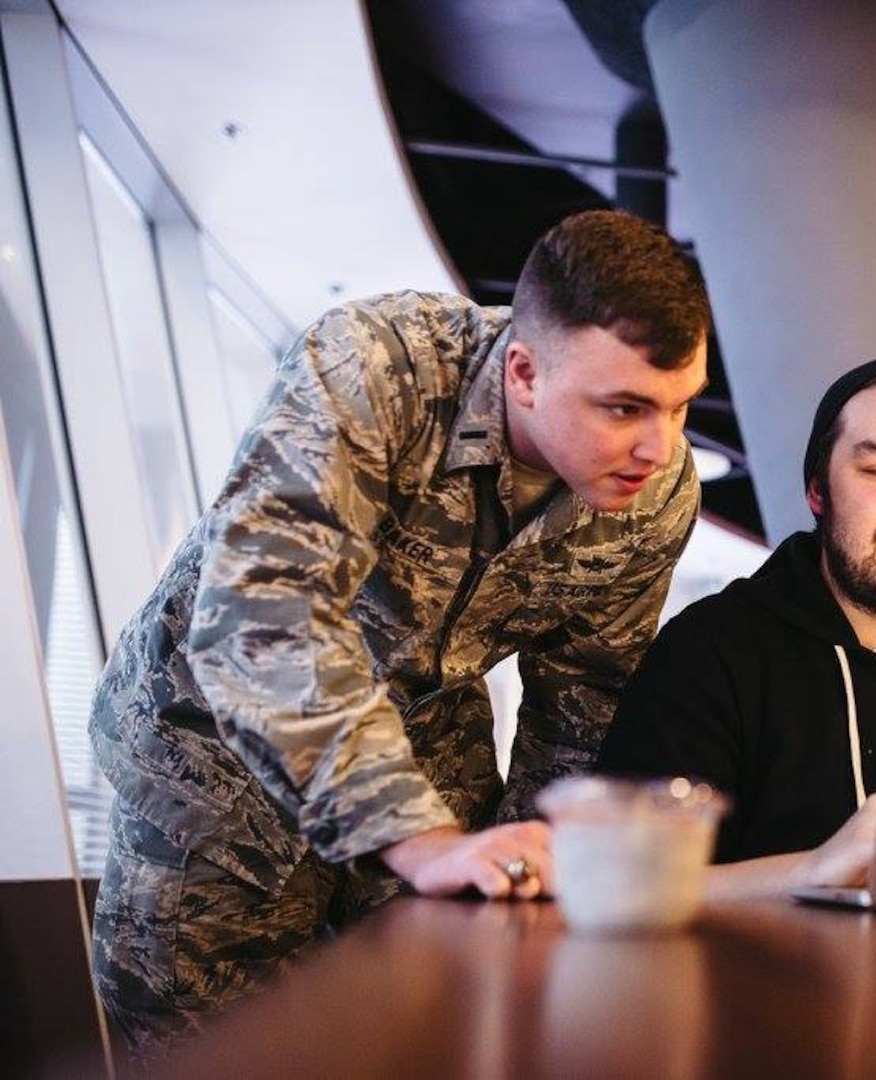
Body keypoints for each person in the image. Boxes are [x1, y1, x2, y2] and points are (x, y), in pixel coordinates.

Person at [90, 209, 710, 1051]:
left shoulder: (659, 494)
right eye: (625, 407)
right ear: (523, 373)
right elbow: (265, 615)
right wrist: (417, 840)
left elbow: (584, 707)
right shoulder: (375, 367)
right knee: (214, 1057)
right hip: (215, 760)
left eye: (679, 409)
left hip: (427, 748)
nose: (657, 447)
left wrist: (534, 875)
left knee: (425, 1041)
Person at [595, 356, 876, 898]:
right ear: (818, 491)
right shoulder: (710, 652)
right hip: (767, 981)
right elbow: (620, 882)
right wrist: (812, 871)